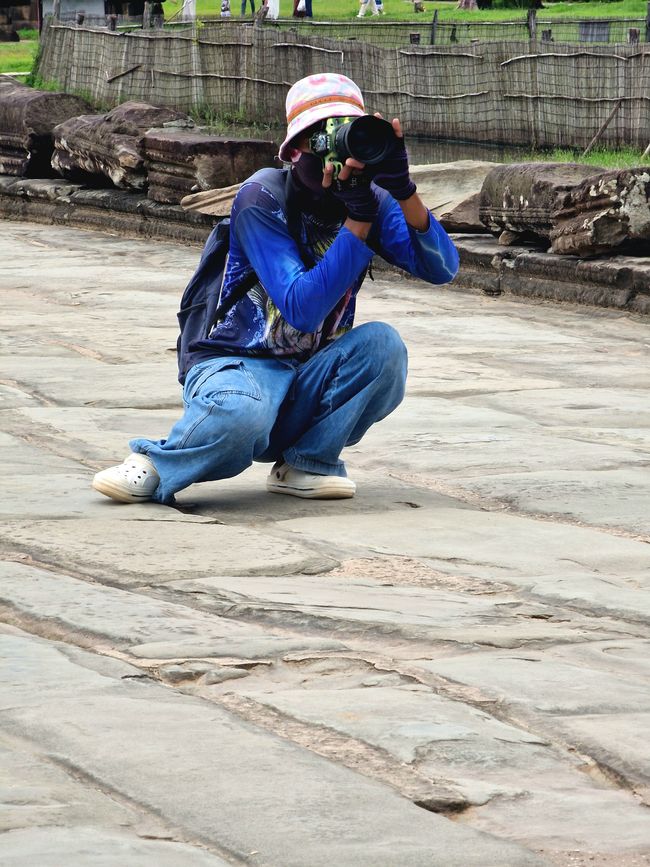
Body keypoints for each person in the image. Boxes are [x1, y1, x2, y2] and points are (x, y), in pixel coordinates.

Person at [92, 73, 459, 505]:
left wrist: (402, 190)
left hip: (307, 370)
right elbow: (300, 308)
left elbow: (443, 269)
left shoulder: (371, 198)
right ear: (299, 147)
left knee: (383, 348)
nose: (343, 151)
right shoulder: (262, 196)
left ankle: (306, 462)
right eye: (329, 135)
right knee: (244, 412)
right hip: (236, 365)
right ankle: (159, 462)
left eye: (351, 132)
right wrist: (357, 219)